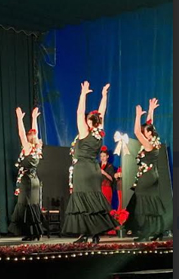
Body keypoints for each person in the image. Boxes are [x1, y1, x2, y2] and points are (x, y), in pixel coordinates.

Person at [62, 81, 118, 244]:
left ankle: (87, 233)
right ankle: (92, 233)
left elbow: (80, 113)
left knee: (82, 201)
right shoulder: (99, 134)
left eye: (87, 119)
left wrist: (83, 94)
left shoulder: (85, 132)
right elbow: (102, 112)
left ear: (89, 122)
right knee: (93, 200)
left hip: (83, 169)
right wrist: (104, 95)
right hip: (94, 170)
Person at [125, 98, 165, 242]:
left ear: (149, 134)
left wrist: (137, 116)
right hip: (153, 175)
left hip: (146, 177)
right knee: (152, 202)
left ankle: (145, 232)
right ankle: (158, 231)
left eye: (145, 132)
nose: (143, 132)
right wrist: (151, 110)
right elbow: (150, 125)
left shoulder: (148, 145)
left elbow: (136, 131)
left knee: (142, 203)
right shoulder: (154, 142)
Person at [8, 107, 44, 241]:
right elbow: (35, 133)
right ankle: (36, 232)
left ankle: (31, 233)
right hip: (34, 179)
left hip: (27, 180)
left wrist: (19, 119)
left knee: (26, 206)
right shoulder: (37, 148)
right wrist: (34, 118)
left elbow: (21, 134)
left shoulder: (28, 148)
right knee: (33, 205)